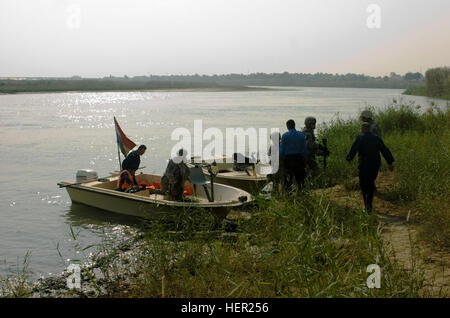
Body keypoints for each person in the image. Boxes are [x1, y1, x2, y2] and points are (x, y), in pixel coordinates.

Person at [346, 122, 394, 212]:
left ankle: (367, 206)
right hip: (375, 164)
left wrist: (349, 158)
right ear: (369, 129)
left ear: (362, 129)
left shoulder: (360, 138)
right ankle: (369, 206)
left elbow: (353, 149)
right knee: (371, 183)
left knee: (363, 185)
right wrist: (390, 163)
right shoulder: (376, 138)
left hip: (364, 164)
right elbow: (385, 150)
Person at [279, 119, 308, 190]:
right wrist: (305, 161)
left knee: (289, 177)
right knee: (300, 178)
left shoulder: (285, 136)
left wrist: (281, 162)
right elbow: (304, 150)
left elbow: (281, 151)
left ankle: (288, 191)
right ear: (294, 125)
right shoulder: (301, 135)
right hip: (299, 158)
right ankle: (301, 191)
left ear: (287, 126)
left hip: (288, 159)